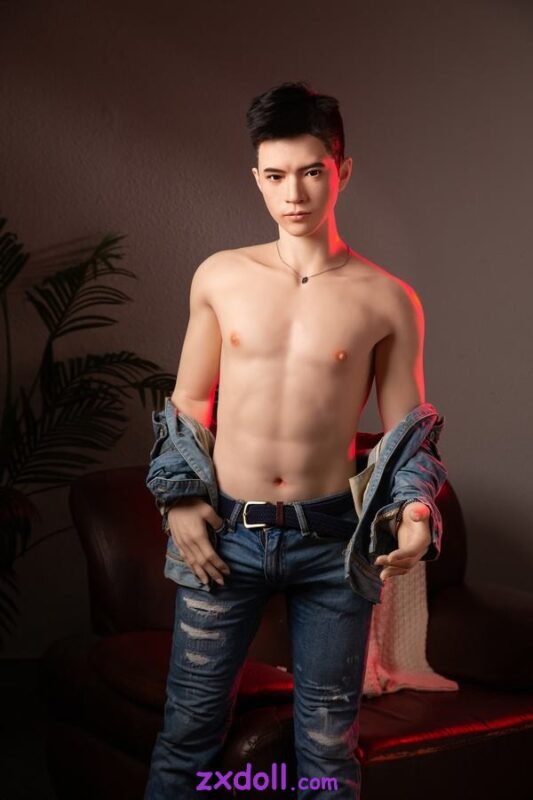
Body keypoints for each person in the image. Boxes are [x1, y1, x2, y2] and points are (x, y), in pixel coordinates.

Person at [144, 81, 447, 800]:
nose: (294, 193)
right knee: (188, 733)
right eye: (276, 175)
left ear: (342, 170)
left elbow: (407, 433)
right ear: (256, 177)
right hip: (227, 535)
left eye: (312, 171)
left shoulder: (387, 298)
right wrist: (178, 500)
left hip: (331, 544)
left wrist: (413, 512)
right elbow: (188, 401)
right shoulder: (221, 276)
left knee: (326, 747)